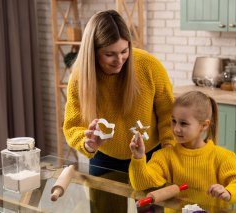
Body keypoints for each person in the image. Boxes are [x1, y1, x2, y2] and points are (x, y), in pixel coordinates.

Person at [63, 10, 175, 176]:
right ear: (92, 52)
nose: (120, 60)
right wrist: (88, 144)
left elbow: (168, 113)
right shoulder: (79, 78)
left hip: (150, 156)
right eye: (110, 54)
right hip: (104, 158)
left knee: (152, 202)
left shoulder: (149, 65)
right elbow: (72, 126)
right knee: (103, 203)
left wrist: (169, 149)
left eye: (124, 51)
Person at [129, 91, 236, 209]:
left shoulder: (223, 157)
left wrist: (228, 191)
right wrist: (139, 158)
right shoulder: (164, 156)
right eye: (174, 121)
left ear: (204, 125)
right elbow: (141, 184)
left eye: (183, 123)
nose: (176, 129)